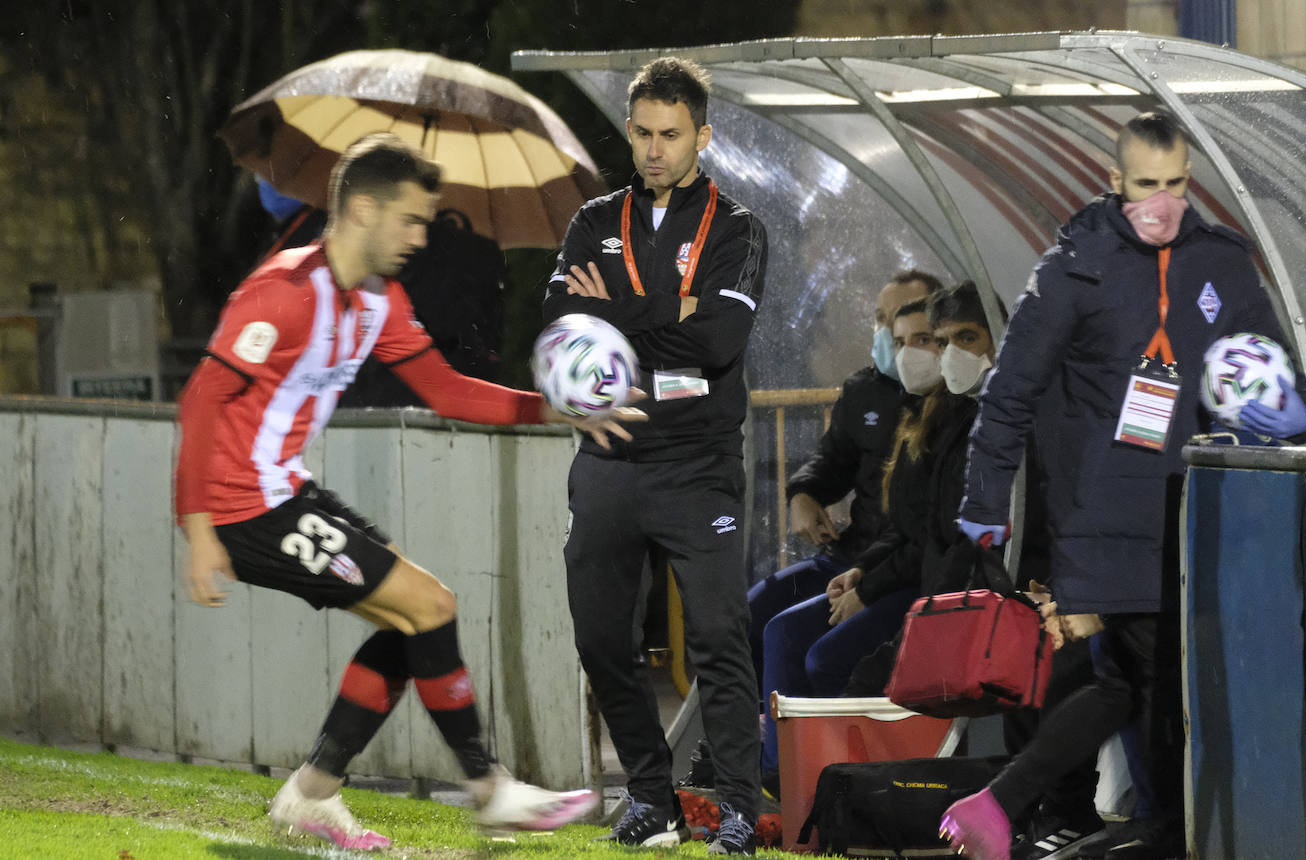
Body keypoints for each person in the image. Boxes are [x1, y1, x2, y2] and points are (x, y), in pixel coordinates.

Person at [176, 133, 640, 852]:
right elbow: (203, 399)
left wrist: (554, 409)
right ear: (362, 209)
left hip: (286, 494)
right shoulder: (283, 292)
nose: (421, 238)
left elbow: (448, 390)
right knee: (429, 606)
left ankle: (314, 793)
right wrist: (200, 529)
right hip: (247, 509)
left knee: (417, 619)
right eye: (411, 220)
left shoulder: (379, 301)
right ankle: (488, 789)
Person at [940, 111, 1306, 860]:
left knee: (1147, 686)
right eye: (1147, 184)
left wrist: (1287, 404)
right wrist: (985, 513)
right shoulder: (1073, 269)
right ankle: (1159, 832)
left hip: (1205, 518)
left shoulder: (1221, 263)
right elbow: (1009, 394)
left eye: (1177, 184)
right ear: (1115, 183)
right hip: (1106, 519)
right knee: (1146, 681)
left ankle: (1051, 812)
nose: (1164, 201)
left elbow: (1280, 379)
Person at [542, 56, 768, 855]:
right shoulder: (592, 222)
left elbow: (719, 339)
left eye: (671, 134)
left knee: (717, 634)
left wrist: (622, 316)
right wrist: (673, 306)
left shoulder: (737, 228)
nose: (654, 148)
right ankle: (650, 794)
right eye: (642, 132)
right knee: (601, 637)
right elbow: (561, 323)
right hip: (608, 457)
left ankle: (739, 804)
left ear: (702, 136)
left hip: (697, 461)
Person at [754, 293, 945, 793]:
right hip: (858, 558)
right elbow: (830, 462)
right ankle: (780, 767)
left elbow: (925, 534)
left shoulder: (949, 413)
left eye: (921, 338)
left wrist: (869, 582)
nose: (902, 349)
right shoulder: (868, 392)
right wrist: (802, 492)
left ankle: (844, 783)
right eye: (889, 329)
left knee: (818, 651)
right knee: (758, 619)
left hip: (909, 575)